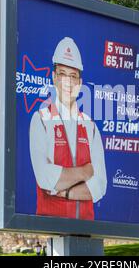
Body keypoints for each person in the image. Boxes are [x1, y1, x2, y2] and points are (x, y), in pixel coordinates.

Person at [29, 37, 107, 220]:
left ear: (79, 82)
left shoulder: (91, 126)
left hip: (86, 229)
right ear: (54, 77)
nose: (67, 82)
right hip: (50, 227)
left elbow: (100, 186)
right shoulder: (40, 120)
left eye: (73, 76)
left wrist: (64, 191)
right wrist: (85, 171)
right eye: (62, 74)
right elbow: (44, 178)